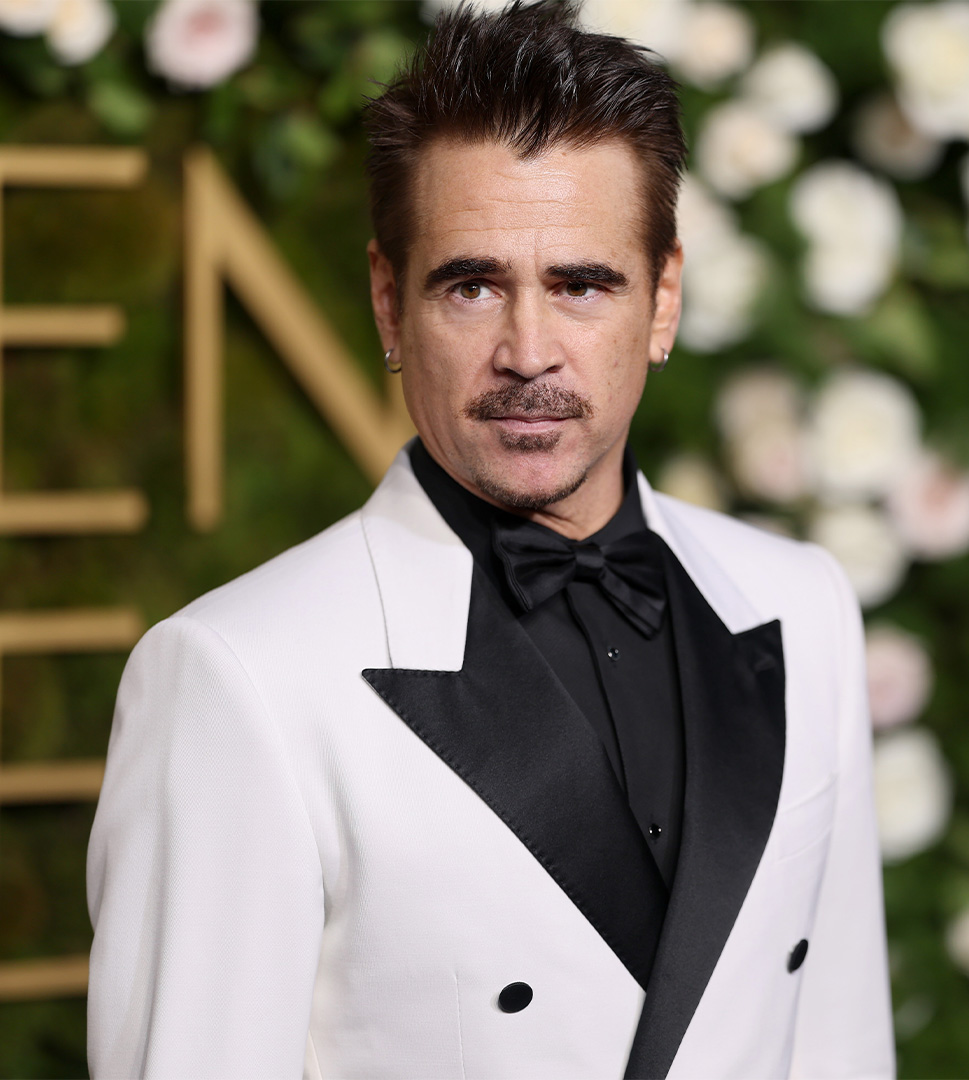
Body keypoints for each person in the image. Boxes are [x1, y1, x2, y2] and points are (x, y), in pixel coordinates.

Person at [86, 3, 895, 1077]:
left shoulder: (802, 602)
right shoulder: (237, 675)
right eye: (472, 286)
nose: (528, 352)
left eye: (581, 284)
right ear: (389, 304)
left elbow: (840, 1043)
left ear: (663, 301)